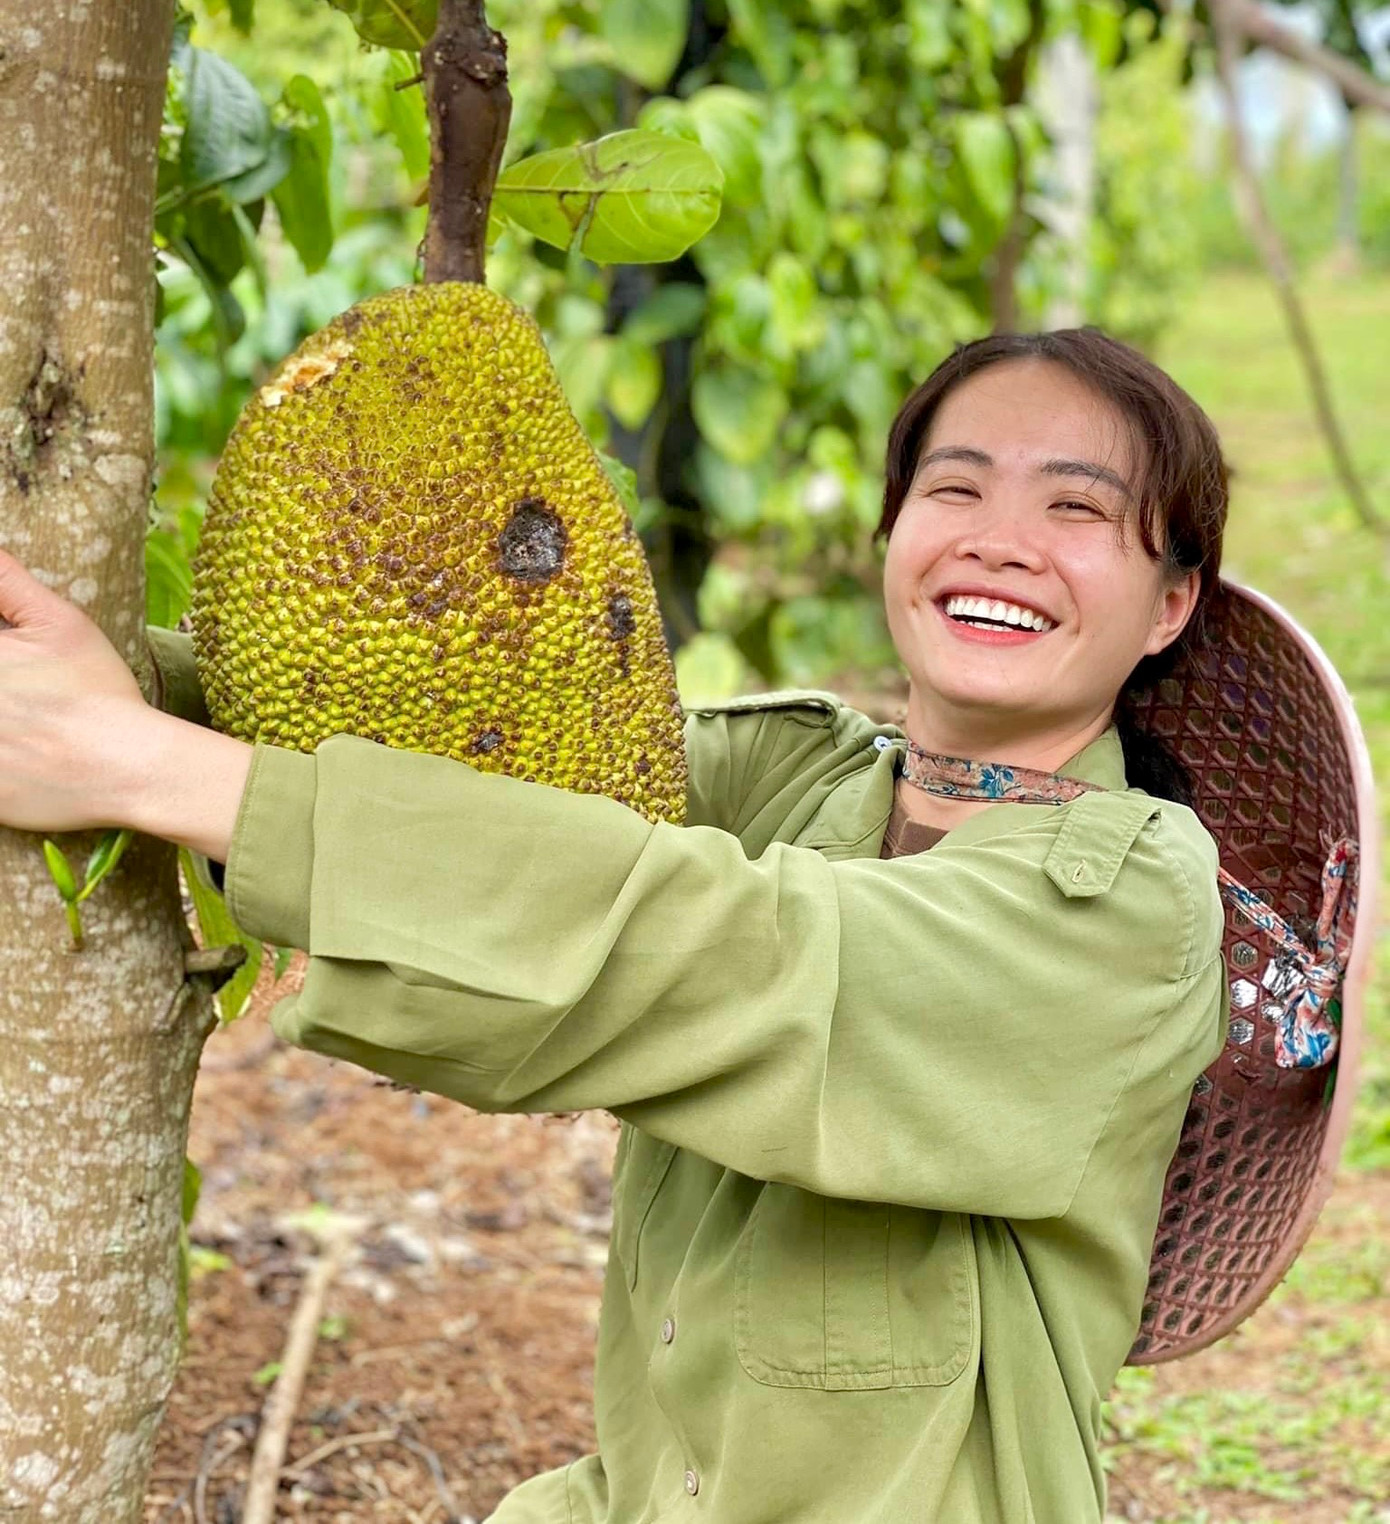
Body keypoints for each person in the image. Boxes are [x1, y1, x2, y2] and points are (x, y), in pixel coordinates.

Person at [0, 328, 1231, 1523]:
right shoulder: (807, 779)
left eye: (1075, 509)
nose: (1000, 541)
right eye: (954, 488)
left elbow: (724, 950)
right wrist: (124, 687)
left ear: (1169, 604)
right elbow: (491, 766)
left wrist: (142, 766)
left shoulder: (1130, 905)